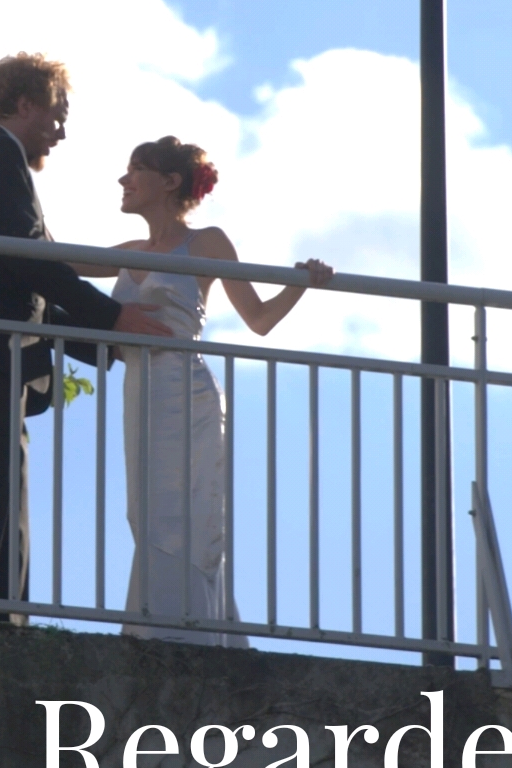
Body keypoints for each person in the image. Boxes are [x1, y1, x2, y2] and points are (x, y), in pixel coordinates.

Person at [0, 54, 171, 621]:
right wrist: (112, 322)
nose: (61, 130)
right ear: (25, 103)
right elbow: (30, 257)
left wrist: (111, 339)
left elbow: (32, 277)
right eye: (58, 114)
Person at [71, 136, 333, 645]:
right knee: (144, 511)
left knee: (185, 512)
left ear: (170, 183)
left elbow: (257, 320)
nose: (124, 181)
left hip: (186, 393)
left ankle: (185, 635)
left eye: (136, 170)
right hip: (140, 394)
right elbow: (49, 258)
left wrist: (299, 282)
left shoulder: (207, 243)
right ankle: (161, 624)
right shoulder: (127, 253)